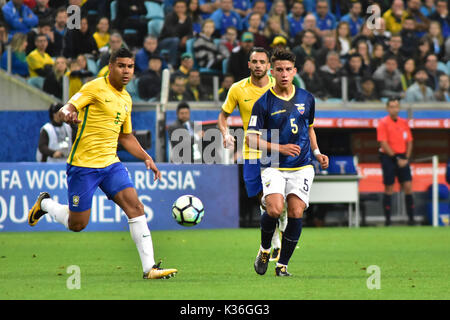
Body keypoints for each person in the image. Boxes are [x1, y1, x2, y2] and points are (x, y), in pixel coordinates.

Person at [27, 47, 178, 280]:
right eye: (121, 66)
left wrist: (147, 157)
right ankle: (45, 204)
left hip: (111, 164)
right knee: (78, 224)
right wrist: (67, 112)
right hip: (83, 166)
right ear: (111, 66)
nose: (126, 71)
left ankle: (150, 269)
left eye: (130, 67)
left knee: (136, 208)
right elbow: (69, 106)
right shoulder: (95, 87)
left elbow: (125, 137)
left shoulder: (126, 98)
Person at [246, 48, 328, 276]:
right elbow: (251, 139)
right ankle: (264, 249)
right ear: (272, 72)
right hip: (273, 164)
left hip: (302, 165)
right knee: (274, 210)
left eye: (288, 70)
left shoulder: (307, 98)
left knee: (296, 212)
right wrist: (279, 147)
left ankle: (282, 265)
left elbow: (309, 129)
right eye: (279, 69)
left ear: (295, 71)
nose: (284, 74)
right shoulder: (263, 103)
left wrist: (318, 152)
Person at [218, 47, 284, 263]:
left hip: (276, 149)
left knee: (274, 198)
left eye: (262, 62)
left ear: (269, 66)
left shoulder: (280, 85)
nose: (258, 65)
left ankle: (276, 243)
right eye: (254, 62)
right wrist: (226, 134)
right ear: (249, 64)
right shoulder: (238, 89)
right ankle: (277, 230)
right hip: (251, 150)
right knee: (260, 196)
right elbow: (223, 115)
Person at [376, 98, 415, 226]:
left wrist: (406, 158)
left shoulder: (404, 122)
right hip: (389, 157)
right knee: (389, 187)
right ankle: (388, 220)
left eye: (396, 106)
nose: (394, 109)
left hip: (403, 157)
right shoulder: (383, 123)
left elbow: (409, 141)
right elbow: (383, 142)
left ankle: (411, 219)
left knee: (408, 186)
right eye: (391, 106)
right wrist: (396, 159)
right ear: (388, 108)